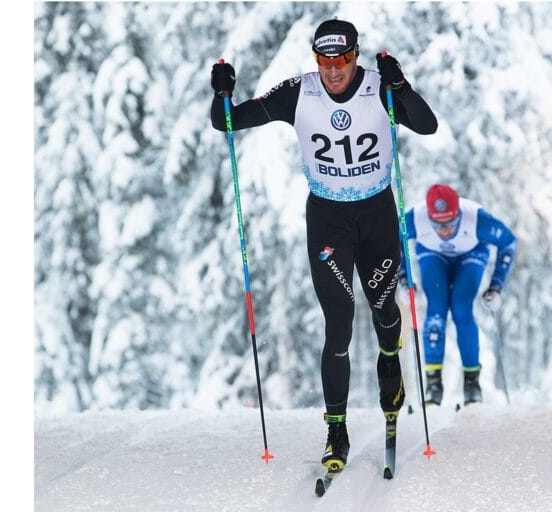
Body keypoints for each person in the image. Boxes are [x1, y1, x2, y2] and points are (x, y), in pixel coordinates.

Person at [210, 18, 438, 471]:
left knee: (384, 310)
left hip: (376, 216)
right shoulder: (300, 92)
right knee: (338, 323)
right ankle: (337, 431)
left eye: (343, 60)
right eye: (325, 61)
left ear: (356, 56)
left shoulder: (379, 88)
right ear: (317, 60)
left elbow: (427, 126)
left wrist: (403, 86)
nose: (334, 70)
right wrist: (222, 93)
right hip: (328, 220)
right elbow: (228, 122)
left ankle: (390, 363)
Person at [401, 184, 516, 406]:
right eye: (438, 225)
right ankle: (433, 384)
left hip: (470, 255)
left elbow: (508, 241)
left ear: (459, 214)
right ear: (429, 216)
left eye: (451, 224)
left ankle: (472, 383)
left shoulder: (477, 219)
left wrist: (496, 285)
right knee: (436, 310)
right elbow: (390, 239)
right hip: (433, 255)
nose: (444, 231)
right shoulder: (416, 218)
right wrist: (404, 279)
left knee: (462, 308)